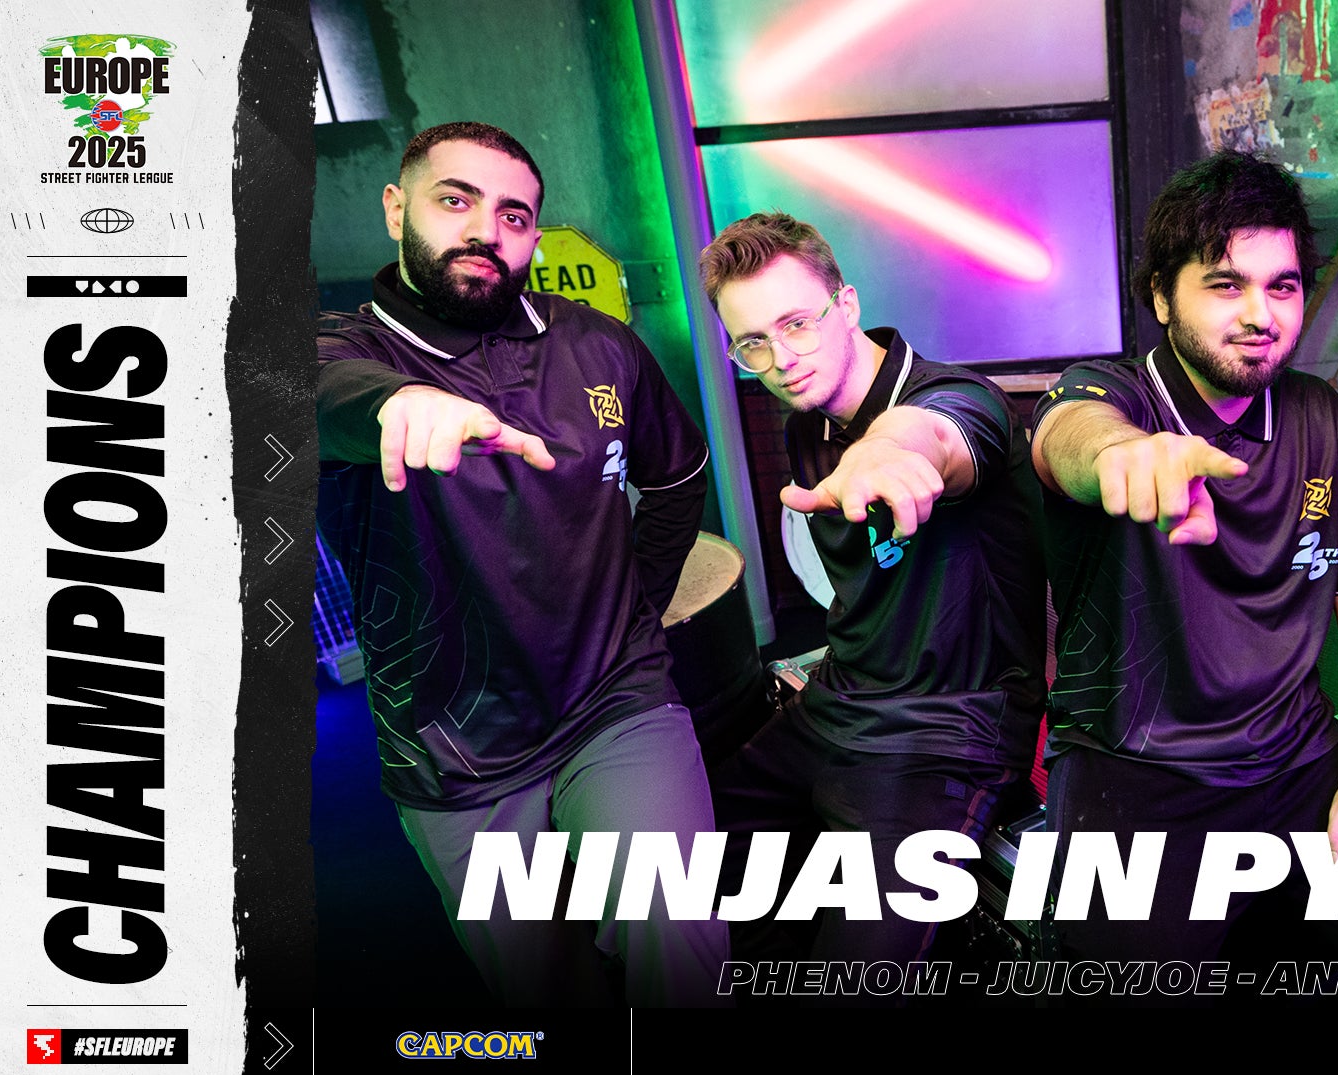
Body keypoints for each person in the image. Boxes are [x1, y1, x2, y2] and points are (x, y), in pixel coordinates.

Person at [315, 121, 726, 1006]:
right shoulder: (344, 353)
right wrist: (400, 405)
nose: (485, 231)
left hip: (614, 699)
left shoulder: (599, 345)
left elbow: (678, 475)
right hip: (453, 745)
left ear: (535, 234)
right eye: (454, 200)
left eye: (514, 215)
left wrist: (638, 605)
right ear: (395, 209)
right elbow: (310, 395)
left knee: (679, 942)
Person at [1031, 151, 1338, 966]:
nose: (1260, 314)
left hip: (1299, 759)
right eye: (1225, 284)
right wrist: (1125, 457)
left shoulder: (1321, 416)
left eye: (1282, 286)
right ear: (1163, 296)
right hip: (1135, 773)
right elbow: (1069, 437)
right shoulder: (1110, 395)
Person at [698, 213, 1046, 969]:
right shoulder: (806, 425)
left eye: (797, 323)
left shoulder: (959, 398)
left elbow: (936, 433)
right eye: (752, 343)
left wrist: (888, 450)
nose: (781, 359)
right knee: (686, 855)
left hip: (944, 732)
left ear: (847, 305)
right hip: (840, 702)